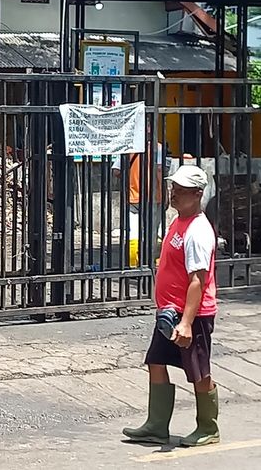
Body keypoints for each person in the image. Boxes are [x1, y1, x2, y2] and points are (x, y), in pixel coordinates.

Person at [123, 164, 219, 447]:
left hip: (192, 314)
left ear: (198, 194)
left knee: (198, 371)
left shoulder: (198, 230)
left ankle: (208, 427)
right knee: (156, 360)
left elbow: (198, 280)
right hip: (169, 310)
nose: (173, 194)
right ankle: (156, 425)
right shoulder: (178, 222)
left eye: (180, 190)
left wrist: (187, 322)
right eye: (173, 188)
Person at [112, 141, 164, 266]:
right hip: (153, 196)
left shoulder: (128, 145)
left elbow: (116, 171)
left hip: (133, 196)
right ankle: (150, 263)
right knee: (152, 231)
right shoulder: (158, 147)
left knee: (133, 232)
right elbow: (159, 170)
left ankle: (133, 265)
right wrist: (162, 192)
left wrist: (130, 177)